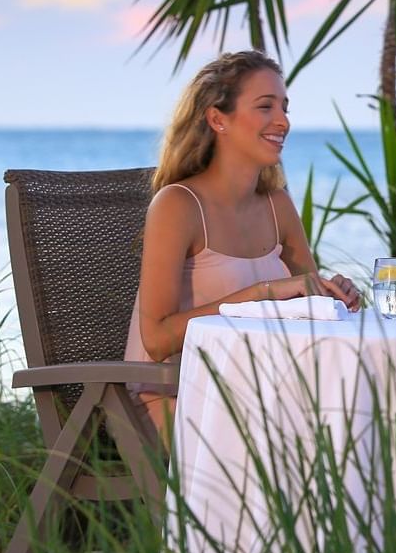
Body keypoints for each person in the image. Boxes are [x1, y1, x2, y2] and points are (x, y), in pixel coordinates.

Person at [123, 50, 361, 433]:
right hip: (173, 392)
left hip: (255, 389)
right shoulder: (178, 205)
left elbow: (310, 302)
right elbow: (156, 340)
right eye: (265, 107)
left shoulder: (276, 204)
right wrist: (262, 293)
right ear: (218, 119)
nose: (283, 121)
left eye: (284, 107)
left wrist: (335, 295)